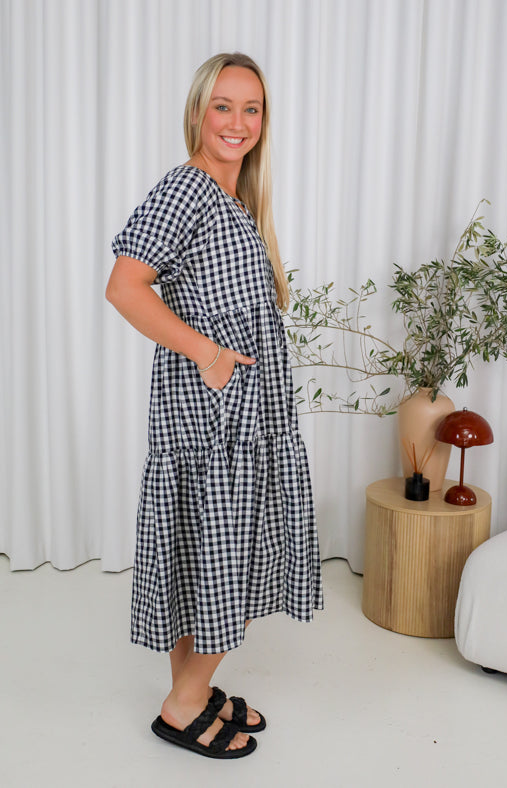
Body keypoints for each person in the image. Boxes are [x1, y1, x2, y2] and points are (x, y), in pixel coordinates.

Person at [106, 52, 323, 759]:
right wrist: (207, 353)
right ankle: (183, 702)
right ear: (198, 112)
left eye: (250, 108)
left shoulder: (234, 200)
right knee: (223, 547)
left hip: (241, 410)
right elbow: (126, 286)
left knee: (204, 548)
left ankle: (193, 693)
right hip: (210, 410)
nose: (236, 122)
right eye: (222, 106)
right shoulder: (186, 188)